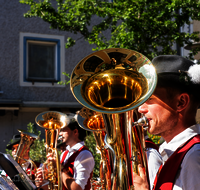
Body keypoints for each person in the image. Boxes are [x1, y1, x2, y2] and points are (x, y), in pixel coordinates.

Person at [133, 55, 200, 190]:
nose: (141, 108)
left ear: (181, 102)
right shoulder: (174, 152)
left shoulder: (193, 158)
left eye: (150, 99)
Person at [36, 117, 95, 190]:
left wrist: (58, 167)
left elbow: (77, 188)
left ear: (75, 132)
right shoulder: (65, 153)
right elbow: (59, 184)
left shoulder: (85, 154)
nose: (60, 133)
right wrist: (44, 180)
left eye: (63, 130)